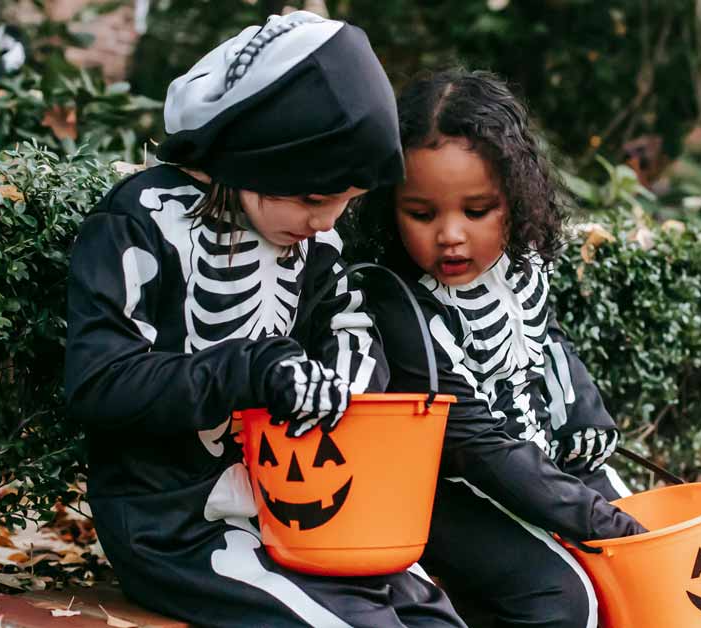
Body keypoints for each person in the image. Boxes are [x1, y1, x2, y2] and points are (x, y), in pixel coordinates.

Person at [64, 13, 464, 627]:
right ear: (260, 158)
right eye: (312, 199)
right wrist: (248, 370)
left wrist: (343, 379)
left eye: (345, 204)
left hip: (303, 505)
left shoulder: (315, 248)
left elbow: (353, 334)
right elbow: (99, 382)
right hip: (175, 525)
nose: (327, 222)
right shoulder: (140, 221)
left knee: (433, 619)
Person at [350, 69, 646, 628]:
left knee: (653, 567)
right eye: (422, 213)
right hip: (447, 489)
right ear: (391, 205)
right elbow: (473, 443)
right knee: (562, 600)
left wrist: (585, 413)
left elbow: (547, 340)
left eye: (477, 210)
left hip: (539, 461)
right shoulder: (396, 298)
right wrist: (595, 517)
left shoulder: (520, 265)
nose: (450, 234)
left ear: (515, 195)